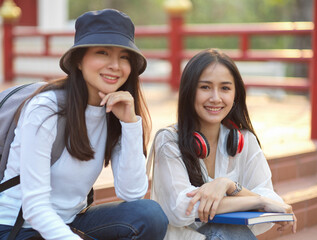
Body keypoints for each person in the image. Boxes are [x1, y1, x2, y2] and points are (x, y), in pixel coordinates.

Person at [0, 9, 168, 240]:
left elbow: (133, 192)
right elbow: (35, 208)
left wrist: (130, 124)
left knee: (150, 215)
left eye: (124, 57)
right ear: (78, 60)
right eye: (102, 52)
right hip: (18, 226)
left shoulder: (116, 109)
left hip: (71, 220)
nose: (115, 65)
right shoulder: (46, 109)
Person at [150, 48, 297, 239]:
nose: (216, 98)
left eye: (225, 88)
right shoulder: (169, 141)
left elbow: (272, 199)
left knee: (229, 231)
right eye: (205, 87)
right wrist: (257, 200)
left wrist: (227, 185)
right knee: (227, 231)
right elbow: (182, 209)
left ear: (236, 94)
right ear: (188, 91)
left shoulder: (245, 140)